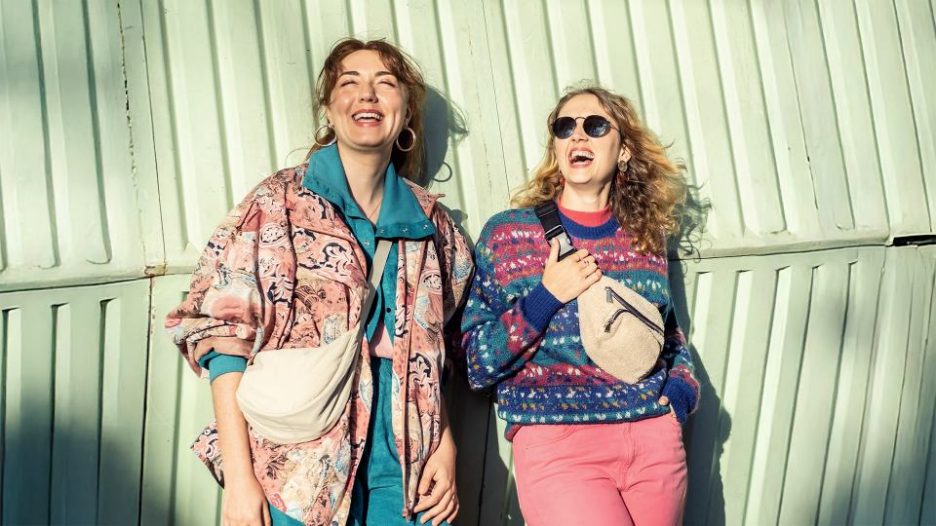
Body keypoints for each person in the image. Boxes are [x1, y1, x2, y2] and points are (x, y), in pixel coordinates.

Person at [165, 38, 473, 526]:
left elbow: (436, 348)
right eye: (349, 83)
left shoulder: (432, 223)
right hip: (300, 464)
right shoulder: (277, 204)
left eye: (385, 84)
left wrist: (444, 442)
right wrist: (241, 482)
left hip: (408, 464)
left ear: (406, 112)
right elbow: (222, 339)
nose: (367, 95)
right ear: (329, 109)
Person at [461, 85, 699, 526]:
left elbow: (667, 335)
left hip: (652, 439)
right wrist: (546, 296)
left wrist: (679, 395)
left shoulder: (643, 237)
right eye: (565, 127)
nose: (578, 136)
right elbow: (475, 361)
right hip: (559, 445)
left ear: (623, 149)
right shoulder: (508, 236)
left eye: (594, 125)